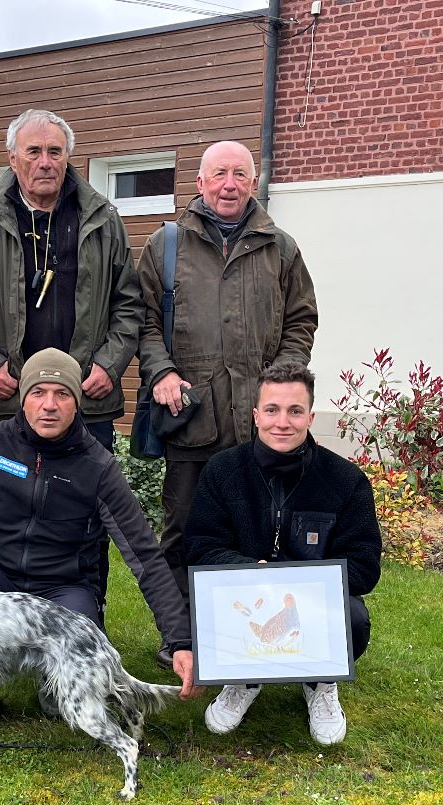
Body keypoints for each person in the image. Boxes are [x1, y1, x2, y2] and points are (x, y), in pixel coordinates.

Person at [0, 349, 194, 707]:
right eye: (38, 393)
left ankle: (50, 681)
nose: (49, 405)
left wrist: (180, 640)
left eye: (62, 394)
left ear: (77, 403)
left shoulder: (98, 467)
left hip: (63, 592)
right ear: (23, 399)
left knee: (59, 704)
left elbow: (145, 555)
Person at [0, 109, 143, 619]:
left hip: (91, 401)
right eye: (33, 151)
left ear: (69, 157)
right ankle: (2, 618)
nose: (44, 162)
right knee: (13, 506)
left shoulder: (102, 217)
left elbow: (130, 304)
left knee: (89, 517)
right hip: (18, 399)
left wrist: (110, 363)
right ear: (11, 158)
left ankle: (87, 616)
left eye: (54, 151)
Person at [136, 140, 318, 669]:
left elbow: (300, 321)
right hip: (192, 419)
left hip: (260, 425)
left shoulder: (280, 248)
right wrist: (161, 371)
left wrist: (280, 387)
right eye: (219, 174)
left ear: (254, 182)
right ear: (199, 183)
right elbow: (143, 322)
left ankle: (252, 635)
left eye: (240, 173)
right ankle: (182, 633)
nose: (229, 184)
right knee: (185, 529)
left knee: (260, 528)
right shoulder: (165, 246)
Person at [182, 364, 382, 745]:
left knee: (353, 617)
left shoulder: (346, 480)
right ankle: (245, 677)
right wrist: (251, 572)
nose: (283, 422)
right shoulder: (222, 470)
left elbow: (364, 565)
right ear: (256, 415)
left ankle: (320, 680)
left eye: (295, 411)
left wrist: (298, 582)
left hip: (307, 602)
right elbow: (199, 547)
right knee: (210, 605)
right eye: (272, 410)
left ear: (310, 415)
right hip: (246, 598)